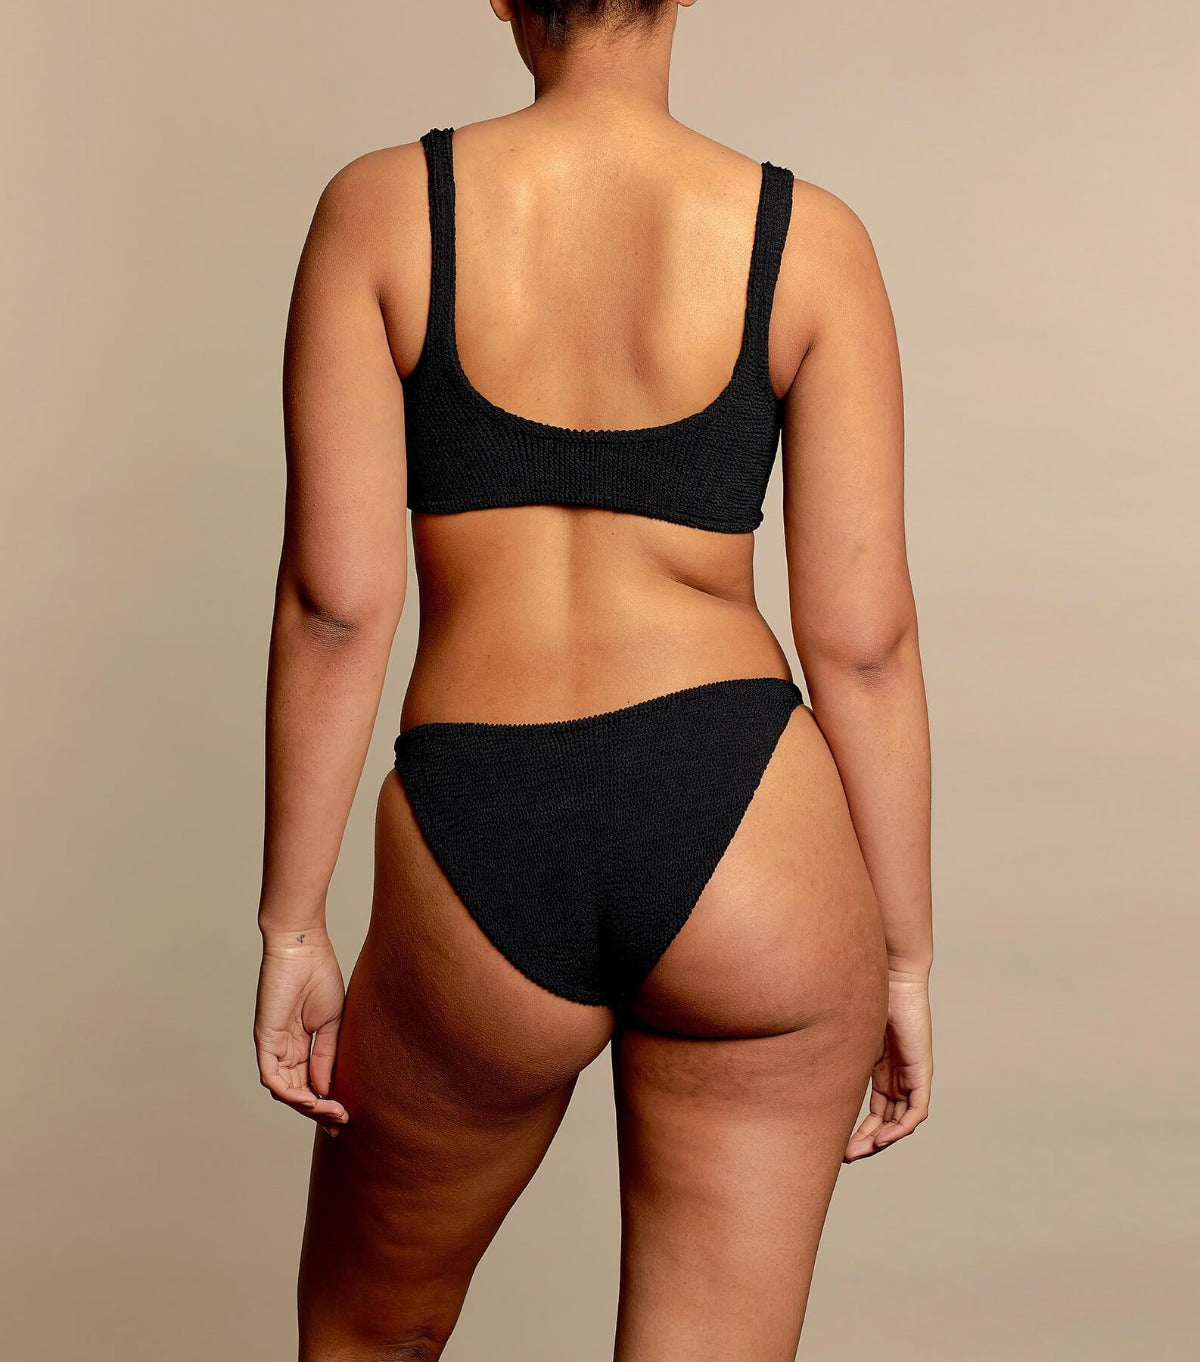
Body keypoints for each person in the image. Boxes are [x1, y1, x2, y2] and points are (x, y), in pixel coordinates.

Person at [253, 1, 933, 1357]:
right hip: (747, 818)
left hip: (482, 816)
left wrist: (292, 926)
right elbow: (864, 644)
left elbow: (337, 606)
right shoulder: (809, 241)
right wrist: (904, 955)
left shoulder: (381, 212)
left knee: (364, 1336)